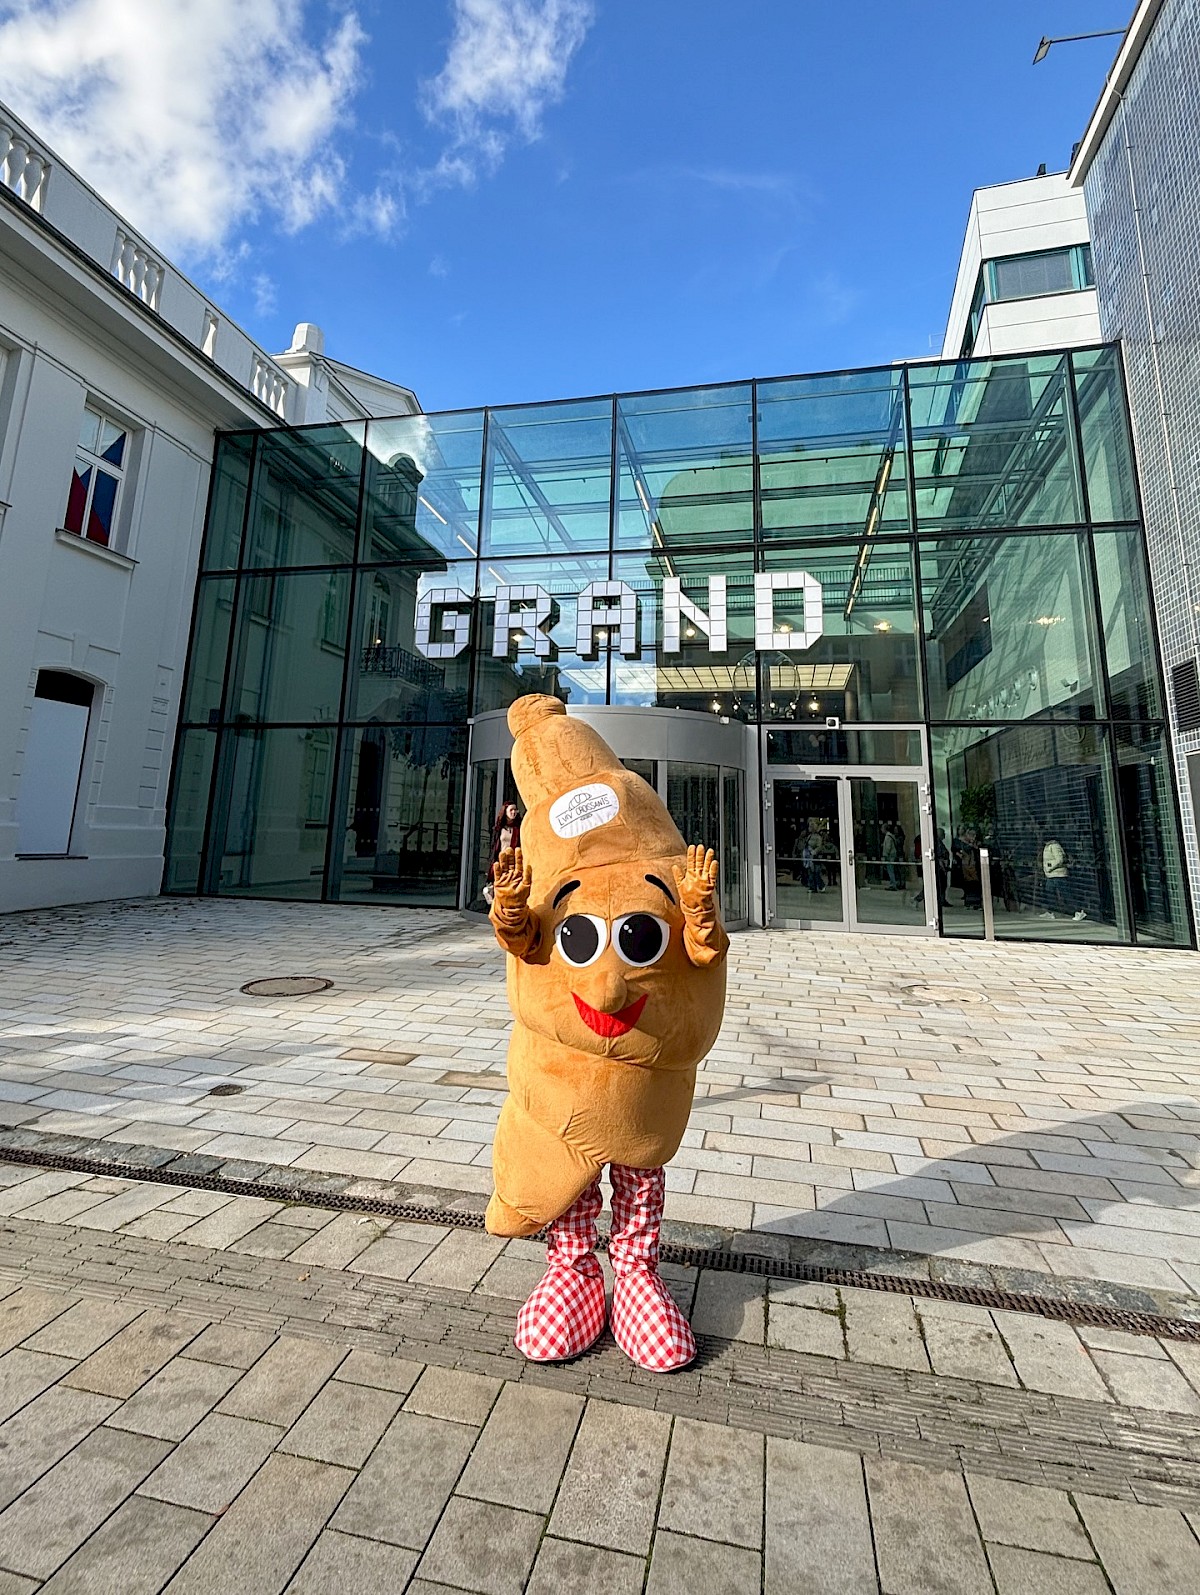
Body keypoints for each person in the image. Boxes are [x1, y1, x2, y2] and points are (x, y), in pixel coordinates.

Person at [483, 801, 521, 905]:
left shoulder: (518, 828)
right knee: (498, 884)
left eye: (515, 810)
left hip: (512, 862)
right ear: (505, 812)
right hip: (500, 861)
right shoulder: (499, 828)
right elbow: (493, 847)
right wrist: (491, 863)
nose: (514, 812)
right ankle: (496, 904)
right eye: (511, 810)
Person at [1041, 836, 1086, 921]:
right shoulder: (1047, 846)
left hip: (1058, 874)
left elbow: (1060, 859)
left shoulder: (1054, 846)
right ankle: (1051, 912)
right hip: (1051, 875)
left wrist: (1050, 867)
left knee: (1066, 893)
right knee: (1050, 893)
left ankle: (1079, 911)